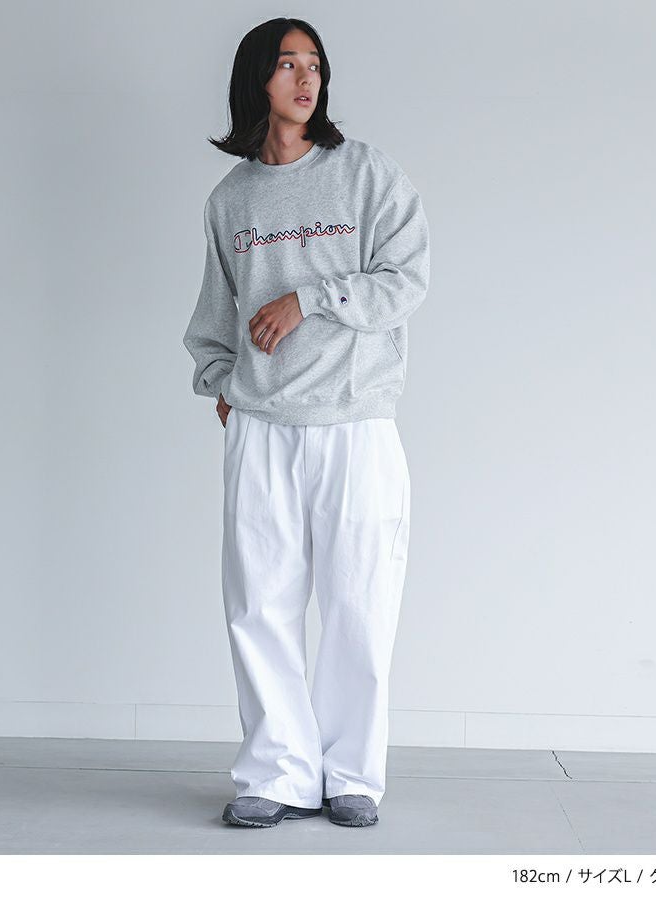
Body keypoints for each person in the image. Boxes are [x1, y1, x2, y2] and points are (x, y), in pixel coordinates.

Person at [183, 17, 430, 828]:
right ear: (256, 78)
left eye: (314, 63)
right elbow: (215, 313)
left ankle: (351, 774)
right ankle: (277, 772)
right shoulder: (232, 200)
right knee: (259, 606)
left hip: (356, 421)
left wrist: (310, 299)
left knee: (360, 606)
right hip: (263, 428)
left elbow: (407, 280)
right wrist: (221, 382)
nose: (305, 77)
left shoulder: (365, 174)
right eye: (287, 63)